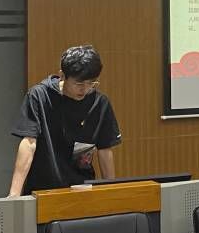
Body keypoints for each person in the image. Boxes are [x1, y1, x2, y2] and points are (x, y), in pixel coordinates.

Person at [8, 45, 121, 196]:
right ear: (62, 75)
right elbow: (29, 143)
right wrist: (14, 194)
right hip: (43, 189)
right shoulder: (40, 96)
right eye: (79, 84)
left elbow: (105, 149)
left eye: (91, 83)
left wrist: (112, 192)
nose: (85, 89)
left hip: (82, 190)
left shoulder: (99, 103)